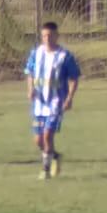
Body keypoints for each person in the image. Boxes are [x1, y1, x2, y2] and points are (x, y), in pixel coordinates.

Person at [24, 22, 81, 180]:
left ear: (56, 36)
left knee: (48, 135)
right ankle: (55, 156)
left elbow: (74, 78)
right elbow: (30, 73)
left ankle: (45, 170)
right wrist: (30, 89)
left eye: (50, 35)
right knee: (38, 140)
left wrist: (69, 98)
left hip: (56, 102)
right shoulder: (36, 53)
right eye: (44, 36)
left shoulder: (65, 56)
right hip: (38, 104)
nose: (47, 38)